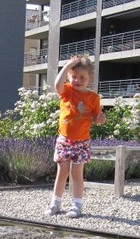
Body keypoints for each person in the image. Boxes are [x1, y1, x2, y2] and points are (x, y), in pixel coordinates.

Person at [44, 55, 106, 218]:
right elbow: (57, 84)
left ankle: (77, 205)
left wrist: (99, 119)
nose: (77, 80)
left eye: (82, 77)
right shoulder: (67, 91)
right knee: (62, 172)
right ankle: (55, 203)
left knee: (76, 174)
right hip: (64, 140)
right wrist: (67, 66)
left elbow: (96, 118)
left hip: (82, 141)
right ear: (69, 76)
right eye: (74, 76)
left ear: (89, 78)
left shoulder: (94, 98)